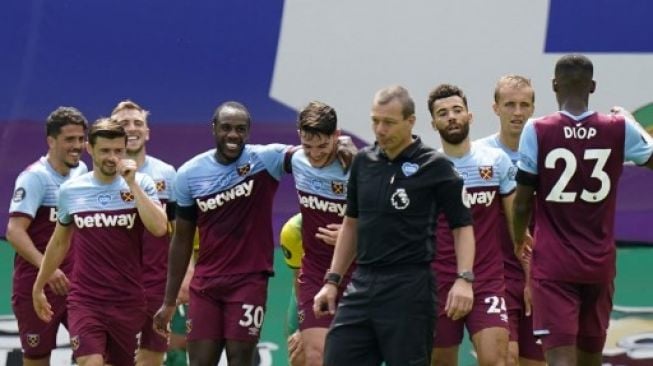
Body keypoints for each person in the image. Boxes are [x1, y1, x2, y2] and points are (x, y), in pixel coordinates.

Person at [314, 85, 475, 365]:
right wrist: (331, 282)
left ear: (410, 121)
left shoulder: (435, 166)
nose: (380, 129)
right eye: (375, 121)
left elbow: (462, 227)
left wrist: (464, 279)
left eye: (388, 122)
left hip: (410, 288)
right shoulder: (364, 161)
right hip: (362, 284)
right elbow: (351, 224)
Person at [512, 54, 653, 366]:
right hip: (599, 263)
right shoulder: (618, 128)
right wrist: (633, 124)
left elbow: (522, 200)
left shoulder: (537, 130)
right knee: (590, 359)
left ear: (553, 85)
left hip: (554, 264)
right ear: (593, 86)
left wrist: (518, 235)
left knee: (560, 358)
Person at [32, 118, 168, 366]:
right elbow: (59, 242)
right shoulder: (72, 191)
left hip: (128, 300)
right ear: (89, 148)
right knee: (90, 362)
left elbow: (159, 228)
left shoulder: (142, 184)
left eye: (118, 151)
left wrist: (132, 184)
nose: (112, 157)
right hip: (86, 299)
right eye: (105, 150)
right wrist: (39, 285)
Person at [428, 83, 512, 366]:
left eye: (456, 110)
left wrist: (531, 277)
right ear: (433, 123)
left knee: (497, 361)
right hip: (438, 282)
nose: (451, 116)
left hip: (487, 280)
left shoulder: (495, 161)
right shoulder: (425, 169)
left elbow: (517, 228)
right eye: (443, 113)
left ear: (470, 116)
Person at [6, 107, 88, 366]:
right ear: (51, 141)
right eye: (69, 139)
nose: (77, 146)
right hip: (37, 286)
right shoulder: (35, 178)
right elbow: (14, 231)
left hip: (76, 285)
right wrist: (48, 269)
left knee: (94, 354)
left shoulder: (82, 171)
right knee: (38, 358)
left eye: (81, 139)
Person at [475, 75, 545, 365]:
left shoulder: (548, 153)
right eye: (510, 105)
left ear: (532, 108)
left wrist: (536, 275)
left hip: (541, 272)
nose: (517, 112)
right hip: (496, 274)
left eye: (524, 105)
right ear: (495, 108)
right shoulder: (480, 156)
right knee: (505, 358)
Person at [110, 100, 178, 366]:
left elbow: (178, 231)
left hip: (155, 283)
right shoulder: (97, 177)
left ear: (148, 132)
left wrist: (186, 274)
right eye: (124, 124)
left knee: (152, 357)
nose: (132, 128)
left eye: (138, 123)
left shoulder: (166, 174)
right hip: (111, 283)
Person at [290, 101, 353, 366]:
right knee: (315, 356)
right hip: (316, 271)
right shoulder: (294, 159)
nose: (314, 155)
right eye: (308, 146)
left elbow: (390, 218)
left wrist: (352, 237)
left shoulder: (358, 165)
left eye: (323, 146)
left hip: (358, 273)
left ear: (336, 135)